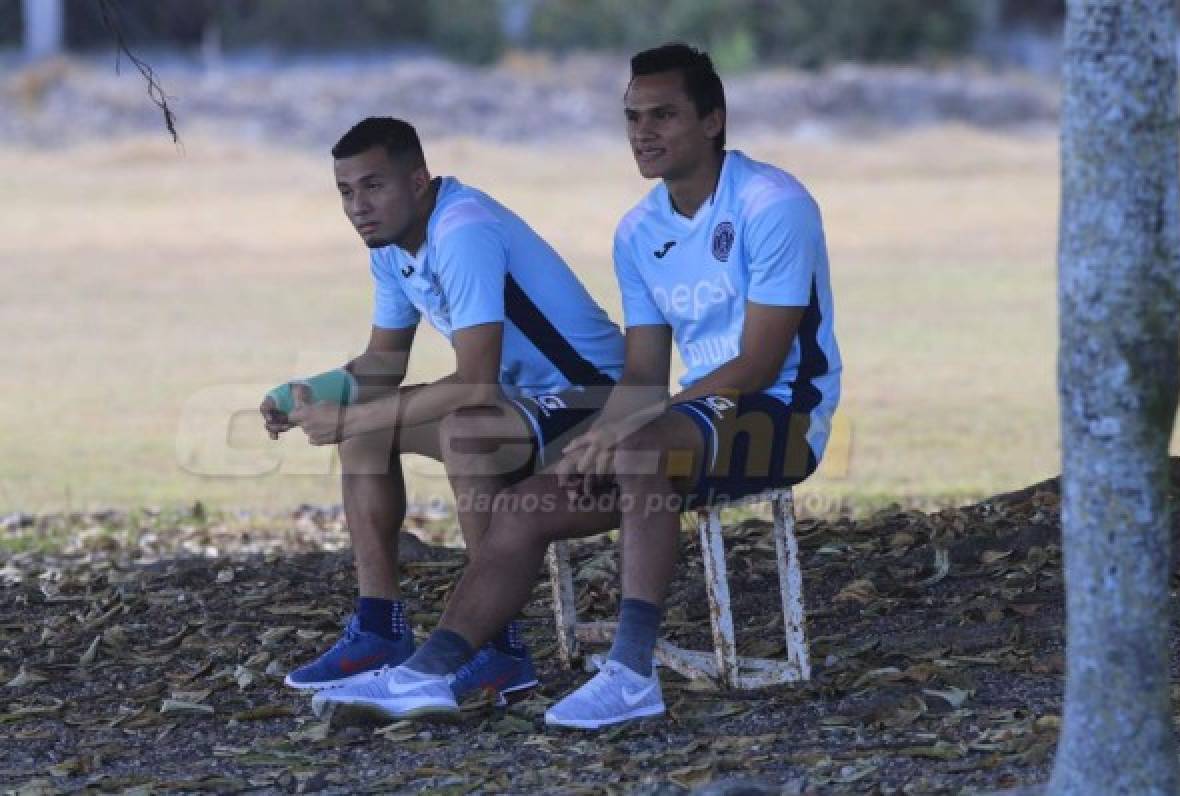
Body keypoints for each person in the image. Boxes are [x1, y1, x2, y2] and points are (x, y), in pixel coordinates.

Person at [314, 43, 841, 729]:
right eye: (632, 118)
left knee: (639, 447)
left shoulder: (773, 202)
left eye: (664, 115)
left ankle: (630, 674)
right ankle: (428, 673)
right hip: (690, 422)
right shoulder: (638, 230)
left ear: (713, 120)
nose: (643, 133)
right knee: (521, 510)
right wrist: (599, 433)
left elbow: (759, 366)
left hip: (781, 417)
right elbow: (644, 375)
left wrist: (622, 433)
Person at [264, 117, 624, 704]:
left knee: (466, 429)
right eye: (346, 192)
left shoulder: (462, 229)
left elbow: (477, 383)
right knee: (370, 428)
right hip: (529, 402)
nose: (359, 206)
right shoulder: (390, 245)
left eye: (374, 186)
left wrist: (350, 418)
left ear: (419, 180)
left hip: (601, 397)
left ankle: (497, 648)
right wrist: (306, 394)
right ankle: (380, 630)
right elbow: (383, 363)